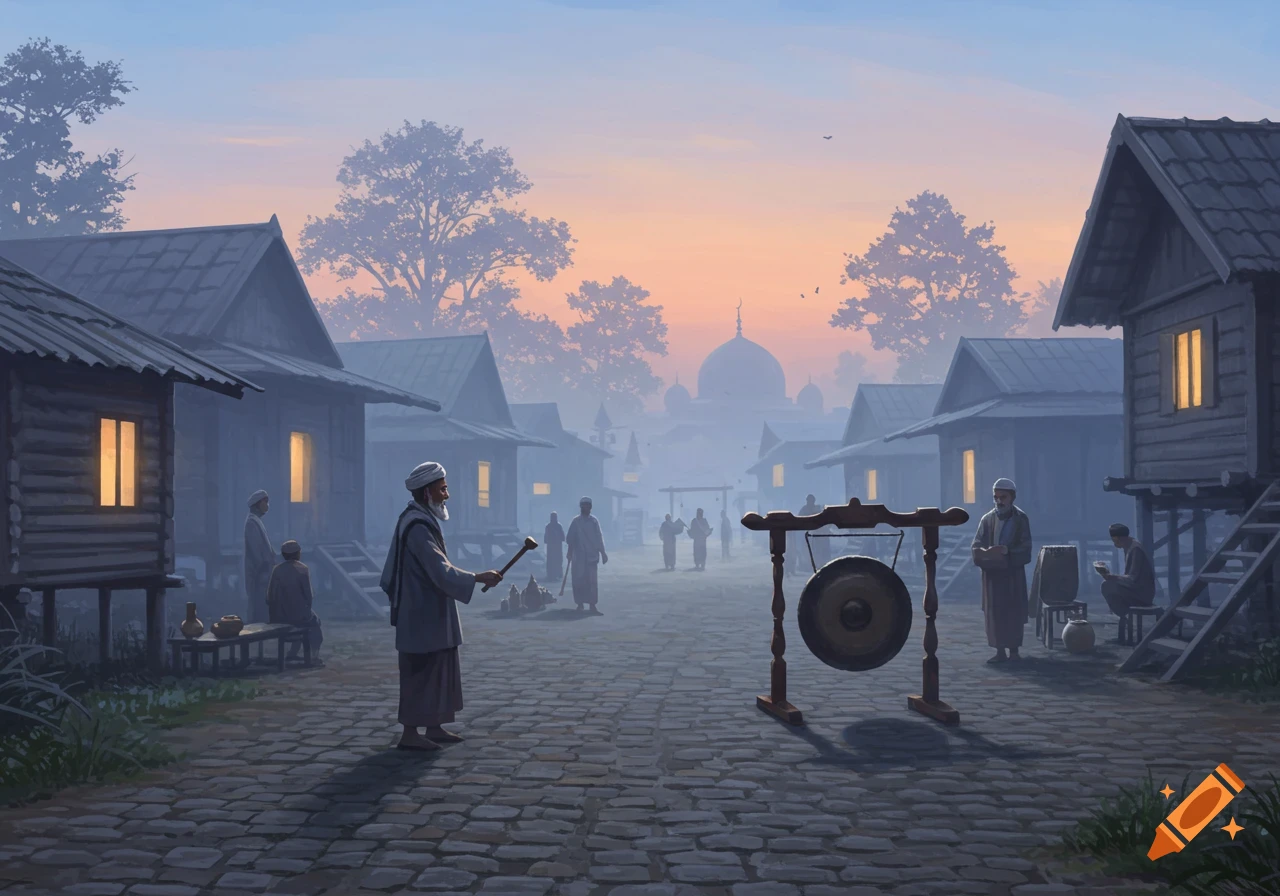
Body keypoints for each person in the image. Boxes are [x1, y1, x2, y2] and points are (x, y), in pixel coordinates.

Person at [380, 462, 504, 751]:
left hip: (431, 609)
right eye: (443, 489)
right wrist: (476, 577)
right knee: (420, 670)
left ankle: (434, 727)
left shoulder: (421, 518)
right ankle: (410, 733)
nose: (447, 495)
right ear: (427, 493)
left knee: (439, 668)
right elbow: (440, 570)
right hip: (420, 611)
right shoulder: (417, 527)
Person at [971, 477, 1033, 663]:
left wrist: (1007, 551)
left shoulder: (1021, 519)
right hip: (992, 574)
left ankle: (1013, 651)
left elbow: (1026, 548)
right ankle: (999, 651)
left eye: (1003, 497)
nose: (999, 501)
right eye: (996, 497)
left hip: (1012, 574)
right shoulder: (987, 519)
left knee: (1012, 613)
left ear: (1012, 497)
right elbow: (976, 544)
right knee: (995, 613)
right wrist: (984, 552)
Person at [266, 540, 323, 660]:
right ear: (297, 553)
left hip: (278, 616)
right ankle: (314, 655)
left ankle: (292, 652)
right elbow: (309, 596)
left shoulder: (277, 570)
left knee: (304, 619)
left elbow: (269, 596)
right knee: (315, 622)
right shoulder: (302, 569)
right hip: (298, 616)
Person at [1100, 522, 1156, 617]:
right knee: (1107, 584)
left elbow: (1132, 578)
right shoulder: (1129, 547)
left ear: (1121, 538)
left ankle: (1124, 616)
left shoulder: (1135, 550)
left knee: (1107, 586)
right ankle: (1125, 616)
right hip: (1136, 589)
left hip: (1143, 594)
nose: (1115, 544)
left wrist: (1111, 577)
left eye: (1115, 541)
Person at [566, 496, 608, 612]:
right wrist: (569, 552)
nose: (585, 508)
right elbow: (570, 539)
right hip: (578, 557)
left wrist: (603, 553)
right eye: (583, 506)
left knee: (592, 581)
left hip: (592, 557)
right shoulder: (576, 522)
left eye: (587, 506)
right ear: (581, 507)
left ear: (590, 507)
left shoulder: (594, 521)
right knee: (578, 580)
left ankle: (592, 605)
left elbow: (599, 538)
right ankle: (580, 604)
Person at [243, 490, 273, 623]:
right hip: (258, 573)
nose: (267, 505)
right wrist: (264, 566)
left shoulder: (257, 521)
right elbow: (256, 552)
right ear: (257, 504)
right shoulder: (251, 523)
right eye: (265, 502)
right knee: (257, 606)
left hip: (263, 572)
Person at [799, 494, 831, 570]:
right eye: (809, 500)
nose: (810, 502)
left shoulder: (817, 509)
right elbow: (800, 519)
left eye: (811, 500)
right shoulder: (804, 509)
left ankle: (819, 564)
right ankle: (809, 564)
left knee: (818, 550)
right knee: (809, 550)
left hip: (817, 534)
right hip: (808, 533)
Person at [544, 512, 566, 583]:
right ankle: (552, 575)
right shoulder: (552, 526)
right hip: (553, 547)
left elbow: (562, 537)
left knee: (556, 560)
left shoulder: (556, 526)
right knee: (553, 561)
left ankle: (555, 574)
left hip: (555, 547)